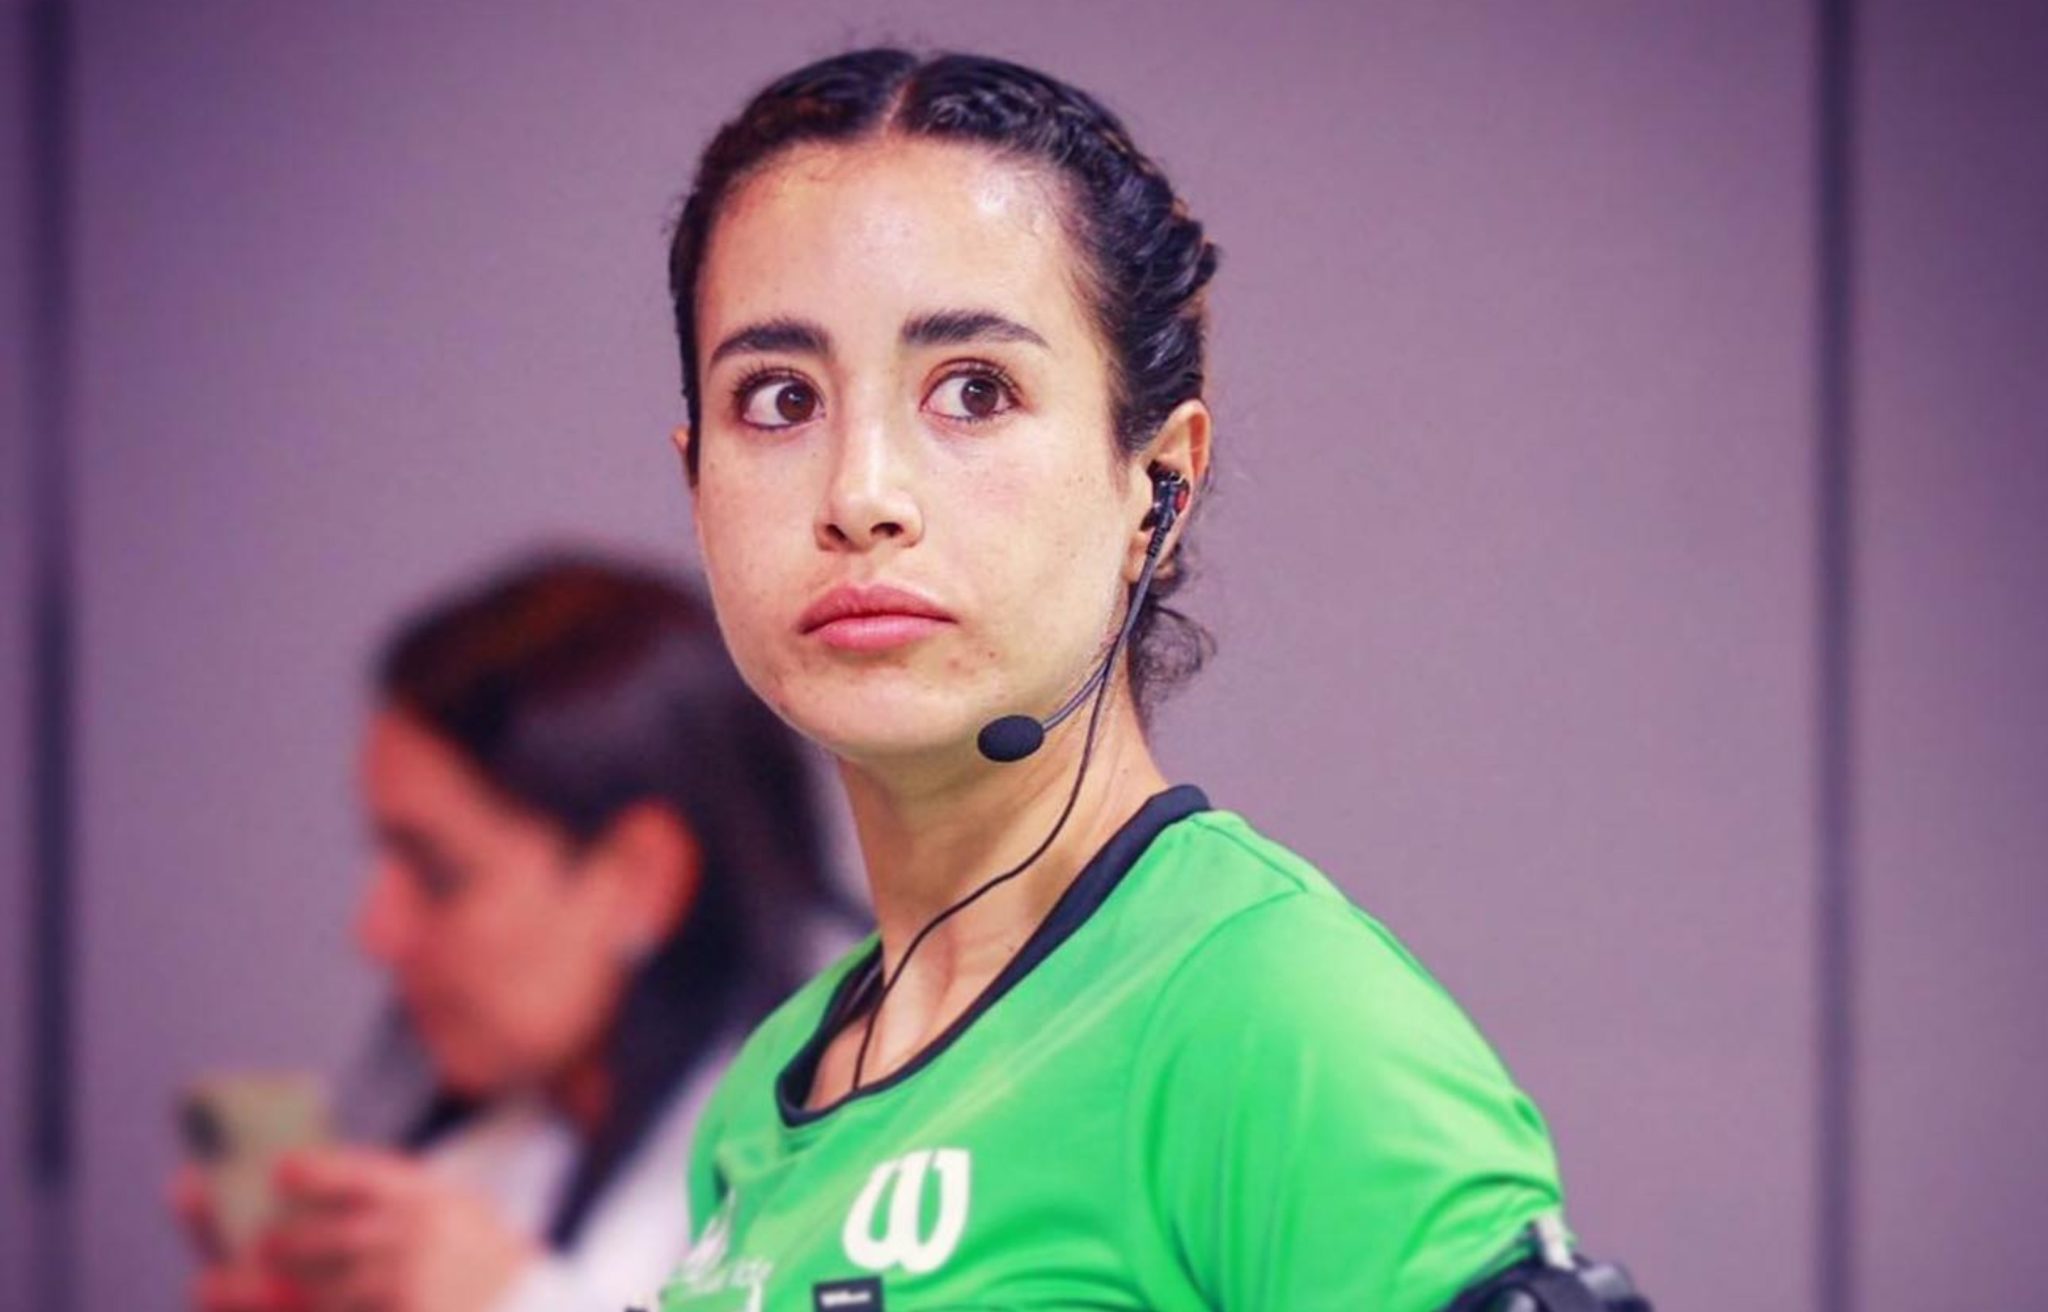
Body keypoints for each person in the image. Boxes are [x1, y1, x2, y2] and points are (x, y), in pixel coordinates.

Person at [652, 47, 1605, 1312]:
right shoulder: (760, 1100)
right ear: (695, 480)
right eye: (778, 399)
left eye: (973, 390)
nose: (859, 494)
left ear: (1158, 483)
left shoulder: (1268, 1017)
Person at [173, 553, 852, 1312]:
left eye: (438, 874)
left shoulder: (857, 1165)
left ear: (639, 879)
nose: (376, 932)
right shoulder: (474, 1172)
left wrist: (515, 1300)